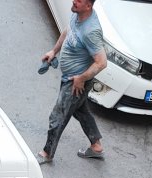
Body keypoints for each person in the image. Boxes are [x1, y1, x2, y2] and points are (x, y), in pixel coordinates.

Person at [38, 0, 108, 164]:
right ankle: (96, 146)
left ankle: (46, 153)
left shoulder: (91, 31)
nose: (74, 1)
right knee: (80, 110)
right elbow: (68, 31)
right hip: (72, 78)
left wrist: (81, 78)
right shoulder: (78, 14)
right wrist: (54, 51)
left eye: (79, 0)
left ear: (88, 6)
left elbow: (102, 62)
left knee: (57, 116)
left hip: (76, 83)